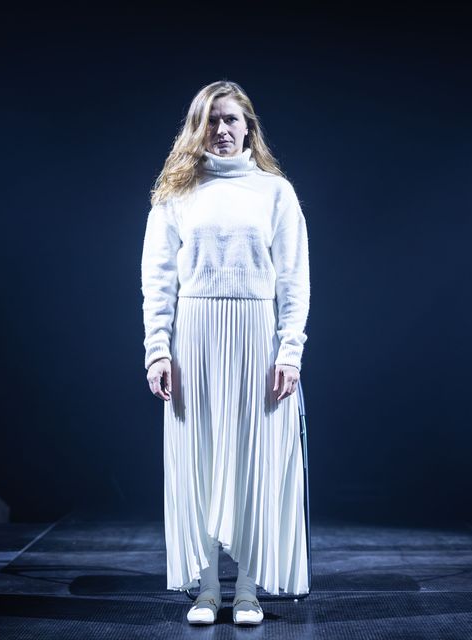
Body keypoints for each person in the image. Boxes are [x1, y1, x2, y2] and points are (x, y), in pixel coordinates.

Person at [141, 81, 310, 625]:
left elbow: (294, 279)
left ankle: (249, 591)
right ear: (197, 128)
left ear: (249, 127)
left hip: (257, 335)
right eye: (211, 120)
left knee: (253, 460)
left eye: (231, 119)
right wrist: (157, 350)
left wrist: (290, 351)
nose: (221, 129)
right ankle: (208, 588)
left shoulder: (275, 192)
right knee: (201, 459)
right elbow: (157, 278)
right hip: (195, 336)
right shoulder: (176, 192)